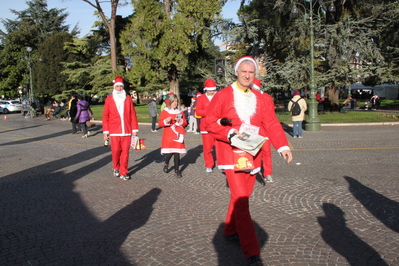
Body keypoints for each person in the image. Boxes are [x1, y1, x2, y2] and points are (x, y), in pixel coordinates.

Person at [205, 56, 292, 266]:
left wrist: (283, 146)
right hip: (230, 155)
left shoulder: (261, 98)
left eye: (251, 72)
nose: (246, 75)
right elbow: (208, 122)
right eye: (243, 71)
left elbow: (271, 123)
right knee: (242, 201)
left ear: (255, 74)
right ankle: (252, 252)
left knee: (241, 198)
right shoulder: (224, 95)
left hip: (253, 156)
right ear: (236, 72)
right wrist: (229, 132)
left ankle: (229, 229)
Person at [102, 75, 139, 181]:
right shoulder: (109, 99)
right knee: (116, 150)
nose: (119, 88)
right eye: (117, 86)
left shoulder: (127, 98)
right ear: (114, 87)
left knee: (125, 152)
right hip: (114, 130)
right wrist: (106, 132)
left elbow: (132, 114)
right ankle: (116, 167)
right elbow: (105, 116)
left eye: (121, 87)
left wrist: (135, 129)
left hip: (127, 130)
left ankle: (124, 171)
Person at [158, 94, 187, 178]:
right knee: (170, 152)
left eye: (176, 101)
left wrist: (180, 120)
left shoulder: (180, 112)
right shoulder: (165, 111)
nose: (175, 103)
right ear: (170, 102)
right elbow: (160, 123)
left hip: (178, 135)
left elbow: (185, 123)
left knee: (177, 153)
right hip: (168, 135)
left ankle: (177, 170)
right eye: (173, 101)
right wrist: (166, 120)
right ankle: (166, 163)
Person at [251, 78, 274, 183]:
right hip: (253, 130)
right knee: (253, 152)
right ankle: (254, 169)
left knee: (266, 152)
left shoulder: (266, 98)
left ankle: (267, 173)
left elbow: (271, 115)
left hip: (264, 130)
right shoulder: (248, 96)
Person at [195, 78, 217, 173]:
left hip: (217, 126)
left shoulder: (218, 96)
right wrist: (209, 112)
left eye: (213, 90)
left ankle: (222, 164)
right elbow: (198, 111)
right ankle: (209, 164)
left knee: (220, 148)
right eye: (210, 90)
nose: (212, 92)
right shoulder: (201, 98)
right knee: (207, 148)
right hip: (205, 126)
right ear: (206, 90)